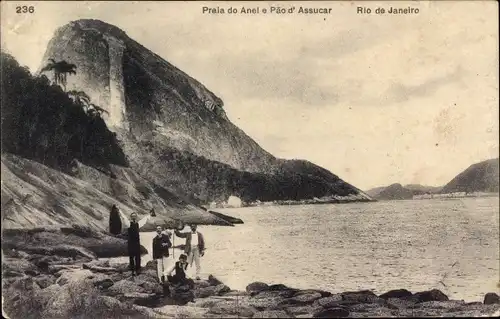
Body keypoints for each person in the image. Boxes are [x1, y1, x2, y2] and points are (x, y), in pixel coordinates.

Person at [119, 209, 154, 276]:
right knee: (131, 257)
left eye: (135, 216)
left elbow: (144, 220)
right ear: (131, 217)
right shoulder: (128, 224)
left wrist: (149, 214)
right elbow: (124, 218)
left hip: (137, 243)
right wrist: (120, 210)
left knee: (138, 256)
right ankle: (132, 271)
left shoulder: (138, 224)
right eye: (133, 216)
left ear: (136, 217)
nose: (134, 217)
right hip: (131, 243)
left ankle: (138, 269)